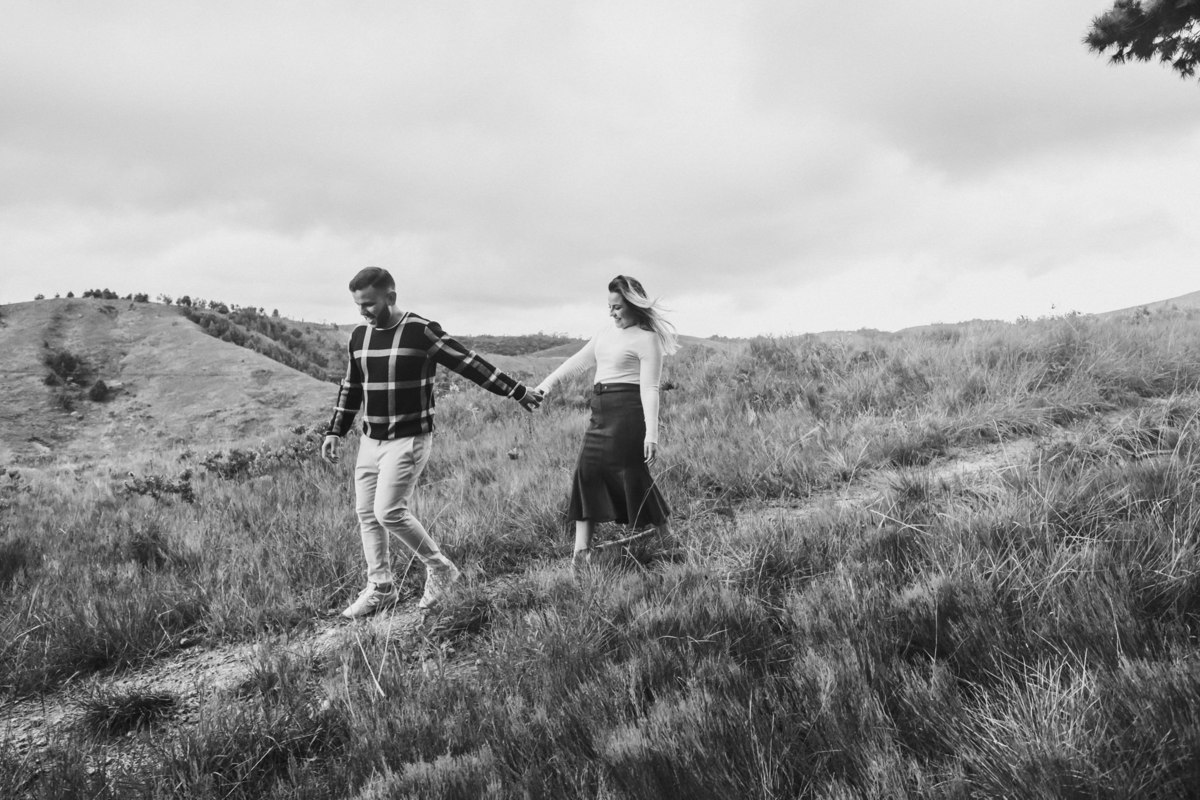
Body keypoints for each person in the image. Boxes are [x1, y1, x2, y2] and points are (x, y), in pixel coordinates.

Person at [322, 267, 542, 618]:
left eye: (369, 304)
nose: (362, 312)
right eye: (358, 305)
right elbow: (352, 387)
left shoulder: (420, 331)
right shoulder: (358, 336)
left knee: (388, 512)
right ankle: (381, 586)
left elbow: (468, 363)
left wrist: (516, 391)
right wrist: (336, 430)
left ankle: (440, 569)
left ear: (390, 297)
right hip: (370, 439)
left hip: (408, 438)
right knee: (366, 514)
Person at [534, 275, 678, 572]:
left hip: (627, 414)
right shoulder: (604, 333)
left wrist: (652, 434)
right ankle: (580, 555)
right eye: (609, 307)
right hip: (600, 414)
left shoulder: (646, 338)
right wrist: (544, 387)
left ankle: (668, 541)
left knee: (633, 475)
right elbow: (576, 362)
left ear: (633, 305)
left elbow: (649, 388)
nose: (612, 313)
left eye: (617, 308)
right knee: (586, 473)